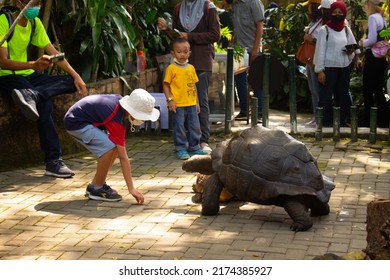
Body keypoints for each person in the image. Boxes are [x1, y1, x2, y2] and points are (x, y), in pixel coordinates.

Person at [0, 0, 87, 178]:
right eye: (31, 3)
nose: (36, 7)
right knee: (45, 105)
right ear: (19, 3)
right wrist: (33, 64)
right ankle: (53, 161)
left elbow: (55, 52)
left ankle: (34, 94)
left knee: (70, 81)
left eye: (38, 3)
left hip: (28, 76)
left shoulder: (34, 23)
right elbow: (2, 61)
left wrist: (76, 75)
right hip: (6, 75)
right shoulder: (5, 20)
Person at [63, 89, 160, 202]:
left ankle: (95, 184)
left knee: (113, 146)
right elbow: (123, 157)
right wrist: (131, 189)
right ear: (133, 113)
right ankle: (97, 189)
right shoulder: (115, 117)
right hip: (76, 123)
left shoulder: (118, 106)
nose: (143, 120)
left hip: (78, 119)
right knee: (109, 147)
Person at [157, 0, 220, 154]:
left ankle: (202, 141)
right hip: (180, 65)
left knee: (200, 102)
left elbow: (215, 35)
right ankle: (184, 142)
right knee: (180, 103)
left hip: (201, 62)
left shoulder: (208, 7)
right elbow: (178, 38)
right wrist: (167, 29)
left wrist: (190, 36)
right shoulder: (179, 8)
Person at [313, 1, 358, 127]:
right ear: (330, 13)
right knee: (326, 96)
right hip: (329, 68)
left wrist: (351, 52)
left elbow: (352, 45)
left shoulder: (346, 29)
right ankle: (326, 122)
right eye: (335, 12)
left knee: (342, 95)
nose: (337, 15)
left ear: (344, 14)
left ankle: (342, 121)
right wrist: (320, 70)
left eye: (340, 13)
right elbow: (320, 50)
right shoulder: (324, 30)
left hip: (343, 67)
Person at [163, 38, 208, 160]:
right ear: (173, 53)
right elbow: (166, 85)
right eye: (179, 52)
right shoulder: (171, 68)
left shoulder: (191, 68)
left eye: (185, 51)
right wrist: (170, 100)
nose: (182, 54)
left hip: (191, 103)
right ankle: (181, 148)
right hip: (178, 104)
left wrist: (197, 102)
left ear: (189, 53)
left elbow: (194, 86)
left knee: (194, 126)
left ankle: (194, 147)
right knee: (179, 127)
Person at [231, 0, 265, 121]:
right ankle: (244, 111)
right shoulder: (236, 4)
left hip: (253, 47)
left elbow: (260, 26)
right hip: (239, 48)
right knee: (239, 80)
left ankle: (259, 113)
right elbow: (237, 28)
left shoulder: (254, 2)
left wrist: (255, 49)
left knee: (256, 81)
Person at [216, 0, 249, 121]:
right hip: (239, 49)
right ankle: (241, 106)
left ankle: (241, 108)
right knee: (239, 79)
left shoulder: (224, 15)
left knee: (232, 79)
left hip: (228, 51)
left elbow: (224, 35)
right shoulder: (237, 13)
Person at [359, 0, 389, 128]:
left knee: (367, 89)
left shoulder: (372, 18)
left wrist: (361, 43)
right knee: (378, 90)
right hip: (381, 57)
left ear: (369, 4)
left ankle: (368, 122)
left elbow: (371, 40)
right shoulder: (383, 18)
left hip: (372, 56)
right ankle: (383, 121)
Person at [302, 0, 327, 127]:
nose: (308, 10)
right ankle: (315, 116)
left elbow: (323, 42)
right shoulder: (314, 22)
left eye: (309, 7)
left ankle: (320, 117)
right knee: (312, 89)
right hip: (310, 59)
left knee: (317, 90)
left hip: (316, 59)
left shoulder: (323, 22)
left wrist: (312, 39)